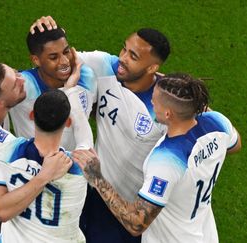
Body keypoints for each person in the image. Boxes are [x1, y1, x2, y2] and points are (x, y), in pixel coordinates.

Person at [31, 16, 170, 243]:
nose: (122, 59)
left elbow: (224, 138)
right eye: (124, 49)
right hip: (91, 189)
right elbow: (59, 59)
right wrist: (44, 31)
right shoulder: (105, 65)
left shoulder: (165, 106)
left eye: (133, 57)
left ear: (153, 67)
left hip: (124, 205)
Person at [73, 73, 242, 243]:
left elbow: (136, 224)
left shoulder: (165, 161)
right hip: (205, 235)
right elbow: (236, 144)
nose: (151, 103)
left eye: (155, 101)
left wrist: (97, 177)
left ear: (168, 114)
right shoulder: (218, 123)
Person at [0, 60, 93, 242]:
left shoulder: (7, 148)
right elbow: (84, 133)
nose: (21, 80)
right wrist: (70, 89)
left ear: (32, 116)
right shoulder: (81, 164)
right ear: (67, 122)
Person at [9, 23, 97, 151]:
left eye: (66, 52)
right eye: (53, 57)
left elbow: (93, 107)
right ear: (36, 60)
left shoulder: (87, 77)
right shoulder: (22, 86)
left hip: (72, 168)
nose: (64, 61)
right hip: (33, 168)